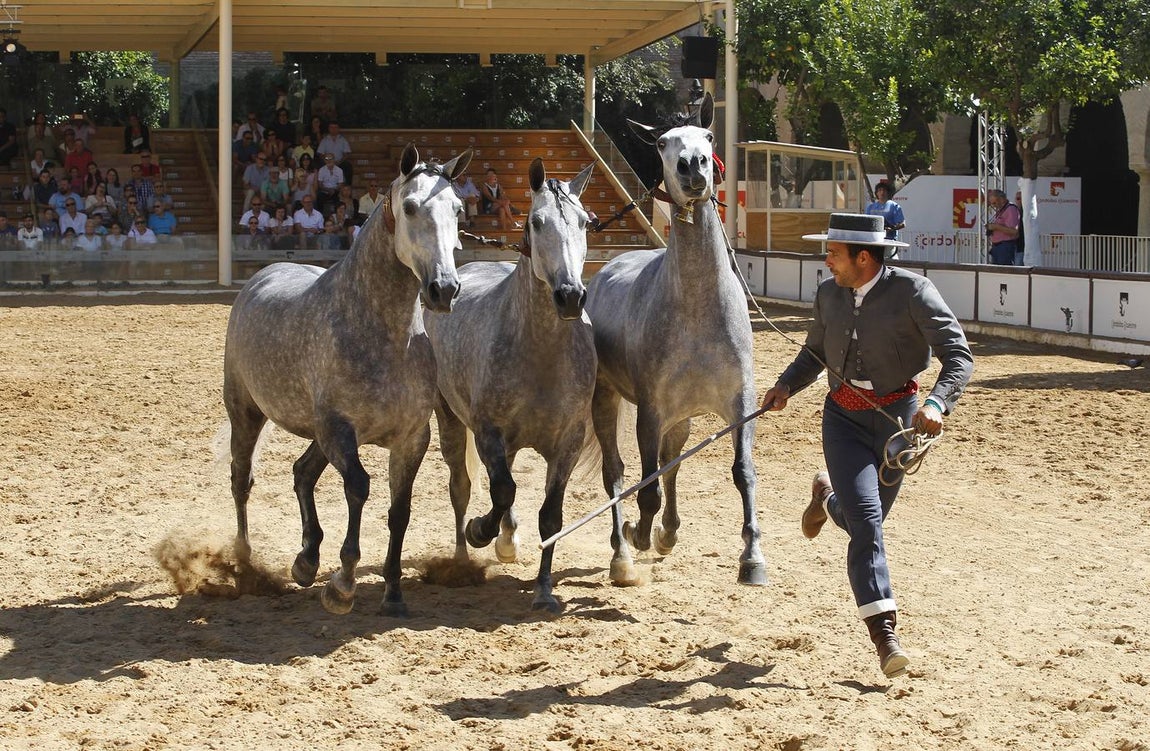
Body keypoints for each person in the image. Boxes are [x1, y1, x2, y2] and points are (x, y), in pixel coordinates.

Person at [759, 212, 973, 679]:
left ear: (863, 256)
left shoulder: (914, 293)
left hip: (899, 425)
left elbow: (959, 355)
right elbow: (814, 354)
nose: (826, 259)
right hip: (843, 420)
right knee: (869, 526)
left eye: (833, 252)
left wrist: (937, 403)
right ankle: (885, 636)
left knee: (862, 523)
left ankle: (824, 498)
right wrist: (785, 387)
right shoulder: (826, 294)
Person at [865, 180, 906, 249]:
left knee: (889, 260)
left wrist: (892, 228)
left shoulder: (894, 206)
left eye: (884, 190)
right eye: (879, 190)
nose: (882, 192)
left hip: (889, 241)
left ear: (888, 192)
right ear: (876, 193)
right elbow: (865, 222)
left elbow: (903, 224)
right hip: (873, 241)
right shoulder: (871, 207)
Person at [986, 189, 1020, 265]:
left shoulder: (1011, 209)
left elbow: (1014, 231)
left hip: (1005, 247)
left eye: (994, 203)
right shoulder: (1001, 210)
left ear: (1001, 199)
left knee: (1004, 272)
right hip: (997, 247)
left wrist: (996, 227)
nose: (994, 206)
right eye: (992, 204)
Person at [1013, 189, 1026, 266]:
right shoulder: (1014, 210)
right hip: (1014, 245)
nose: (1019, 201)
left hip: (1022, 246)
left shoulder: (1026, 212)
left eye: (1021, 198)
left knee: (1018, 267)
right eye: (1017, 199)